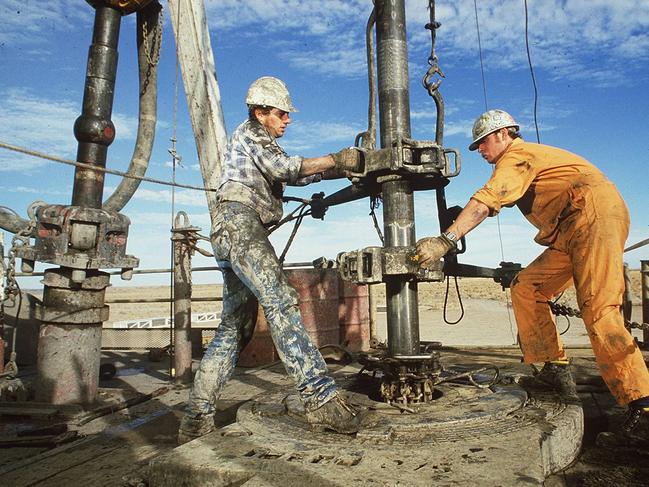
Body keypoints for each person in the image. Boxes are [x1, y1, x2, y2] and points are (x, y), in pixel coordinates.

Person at [416, 109, 649, 435]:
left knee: (598, 307)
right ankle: (554, 367)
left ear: (502, 134)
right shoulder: (523, 163)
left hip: (592, 216)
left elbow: (487, 200)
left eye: (482, 143)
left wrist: (445, 240)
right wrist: (457, 218)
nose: (481, 151)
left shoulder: (518, 156)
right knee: (527, 287)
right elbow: (493, 203)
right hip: (571, 230)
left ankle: (640, 397)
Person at [178, 76, 364, 444]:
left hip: (234, 231)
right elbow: (286, 170)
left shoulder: (260, 143)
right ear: (261, 112)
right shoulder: (251, 133)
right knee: (281, 300)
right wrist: (338, 158)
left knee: (236, 327)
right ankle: (320, 397)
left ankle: (195, 419)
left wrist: (345, 167)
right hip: (240, 225)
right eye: (281, 113)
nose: (287, 120)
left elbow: (296, 175)